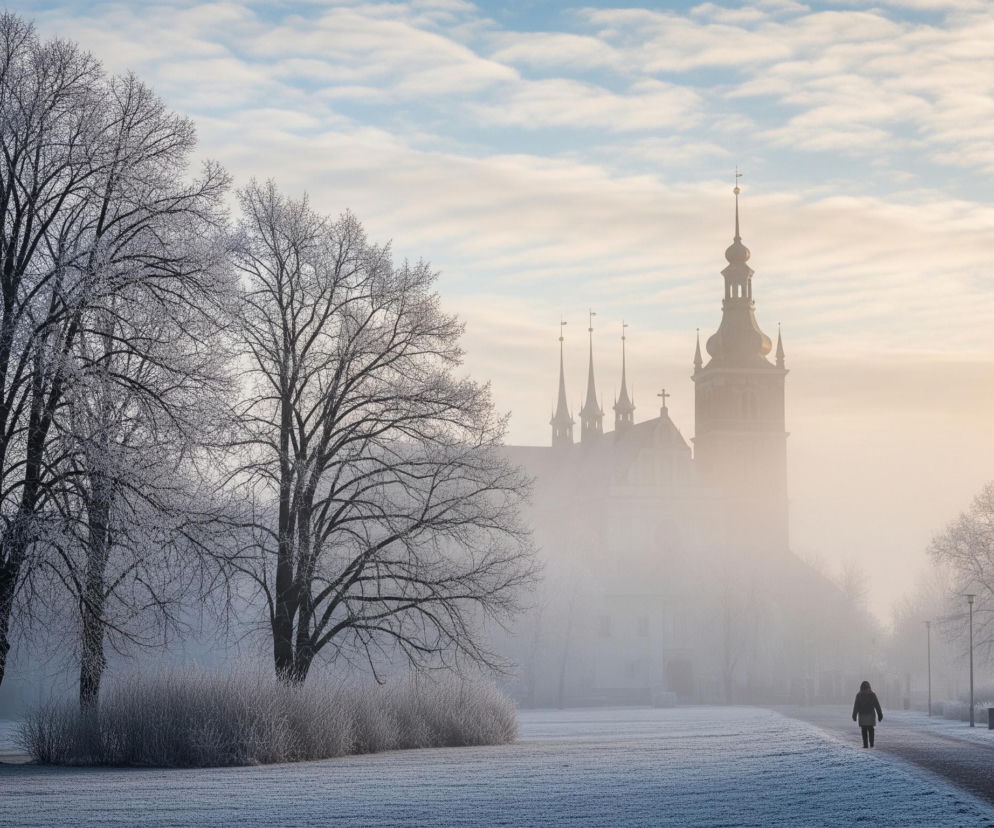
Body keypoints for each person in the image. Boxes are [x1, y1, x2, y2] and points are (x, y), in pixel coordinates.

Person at [852, 680, 883, 748]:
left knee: (864, 730)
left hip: (862, 715)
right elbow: (877, 705)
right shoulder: (872, 694)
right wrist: (880, 714)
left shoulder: (859, 695)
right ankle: (871, 744)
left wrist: (854, 715)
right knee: (871, 729)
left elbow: (856, 706)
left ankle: (865, 744)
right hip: (871, 714)